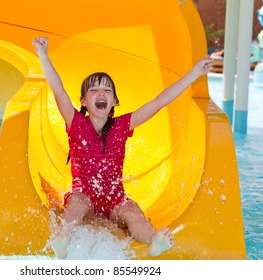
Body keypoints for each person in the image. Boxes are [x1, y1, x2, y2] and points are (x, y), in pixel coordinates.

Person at [32, 36, 213, 259]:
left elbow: (159, 102)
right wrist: (43, 55)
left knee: (132, 211)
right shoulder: (75, 123)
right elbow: (58, 90)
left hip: (114, 199)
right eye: (94, 90)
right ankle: (63, 239)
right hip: (85, 196)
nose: (101, 93)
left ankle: (153, 240)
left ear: (115, 102)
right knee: (76, 202)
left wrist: (194, 74)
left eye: (107, 91)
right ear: (83, 101)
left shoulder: (121, 125)